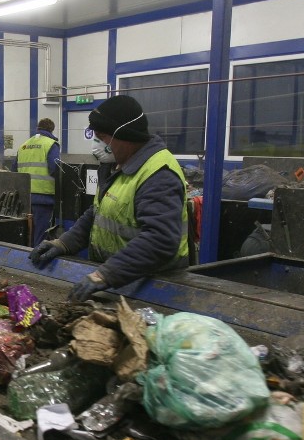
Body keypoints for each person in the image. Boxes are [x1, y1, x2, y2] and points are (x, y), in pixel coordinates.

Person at [28, 95, 188, 302]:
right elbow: (98, 214)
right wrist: (63, 243)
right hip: (121, 285)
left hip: (156, 292)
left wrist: (104, 275)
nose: (97, 144)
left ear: (124, 135)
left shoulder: (158, 174)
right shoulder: (117, 166)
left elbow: (160, 239)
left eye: (102, 137)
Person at [12, 118, 60, 247]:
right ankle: (36, 261)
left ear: (37, 128)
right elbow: (55, 168)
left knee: (27, 231)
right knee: (41, 232)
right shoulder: (50, 145)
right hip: (44, 197)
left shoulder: (24, 145)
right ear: (51, 129)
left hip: (25, 197)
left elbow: (14, 170)